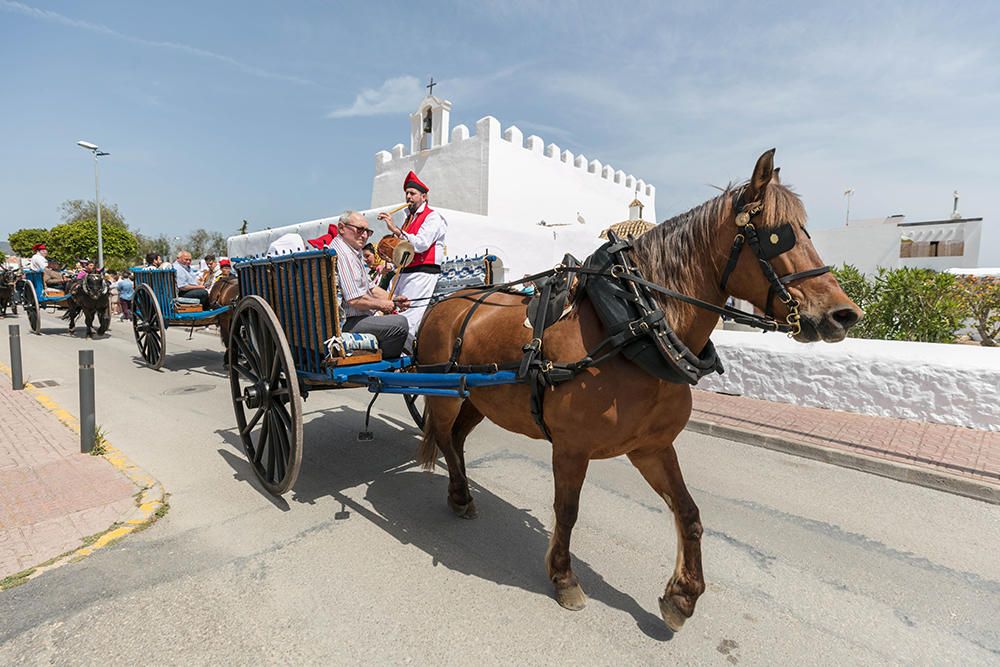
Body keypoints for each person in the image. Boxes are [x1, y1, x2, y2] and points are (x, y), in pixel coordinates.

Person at [377, 170, 447, 349]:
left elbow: (421, 244)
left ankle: (405, 356)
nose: (408, 197)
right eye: (407, 193)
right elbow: (402, 251)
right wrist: (388, 264)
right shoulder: (408, 219)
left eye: (413, 193)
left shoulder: (433, 217)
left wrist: (396, 230)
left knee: (408, 319)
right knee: (389, 311)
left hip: (422, 273)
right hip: (404, 273)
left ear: (424, 196)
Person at [330, 211, 410, 358]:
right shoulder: (344, 254)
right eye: (359, 229)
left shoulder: (352, 251)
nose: (365, 235)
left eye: (367, 231)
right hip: (347, 323)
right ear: (341, 228)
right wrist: (384, 305)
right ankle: (390, 370)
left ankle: (418, 362)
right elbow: (354, 299)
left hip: (358, 318)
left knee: (406, 332)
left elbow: (371, 288)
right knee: (399, 324)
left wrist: (395, 299)